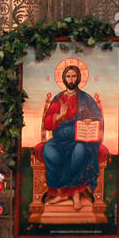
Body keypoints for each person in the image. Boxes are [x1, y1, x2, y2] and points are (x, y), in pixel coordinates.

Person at [39, 62, 103, 209]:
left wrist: (90, 120)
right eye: (68, 76)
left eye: (74, 76)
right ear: (64, 78)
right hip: (60, 139)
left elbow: (97, 116)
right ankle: (61, 192)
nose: (71, 79)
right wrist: (59, 116)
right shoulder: (58, 99)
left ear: (79, 78)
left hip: (79, 138)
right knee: (48, 149)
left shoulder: (86, 99)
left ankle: (75, 193)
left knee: (79, 151)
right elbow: (48, 123)